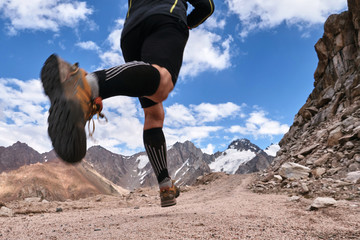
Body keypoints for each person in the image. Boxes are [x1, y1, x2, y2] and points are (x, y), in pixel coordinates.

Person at [40, 0, 214, 207]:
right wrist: (186, 23)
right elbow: (206, 6)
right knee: (162, 83)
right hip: (166, 19)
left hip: (131, 32)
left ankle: (165, 185)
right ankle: (86, 86)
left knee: (153, 112)